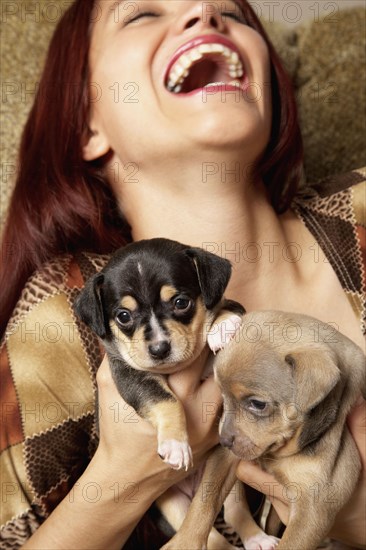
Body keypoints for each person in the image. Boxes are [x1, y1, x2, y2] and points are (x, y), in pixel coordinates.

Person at [0, 0, 364, 548]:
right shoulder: (63, 316)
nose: (203, 12)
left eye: (234, 13)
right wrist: (125, 476)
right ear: (87, 126)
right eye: (142, 14)